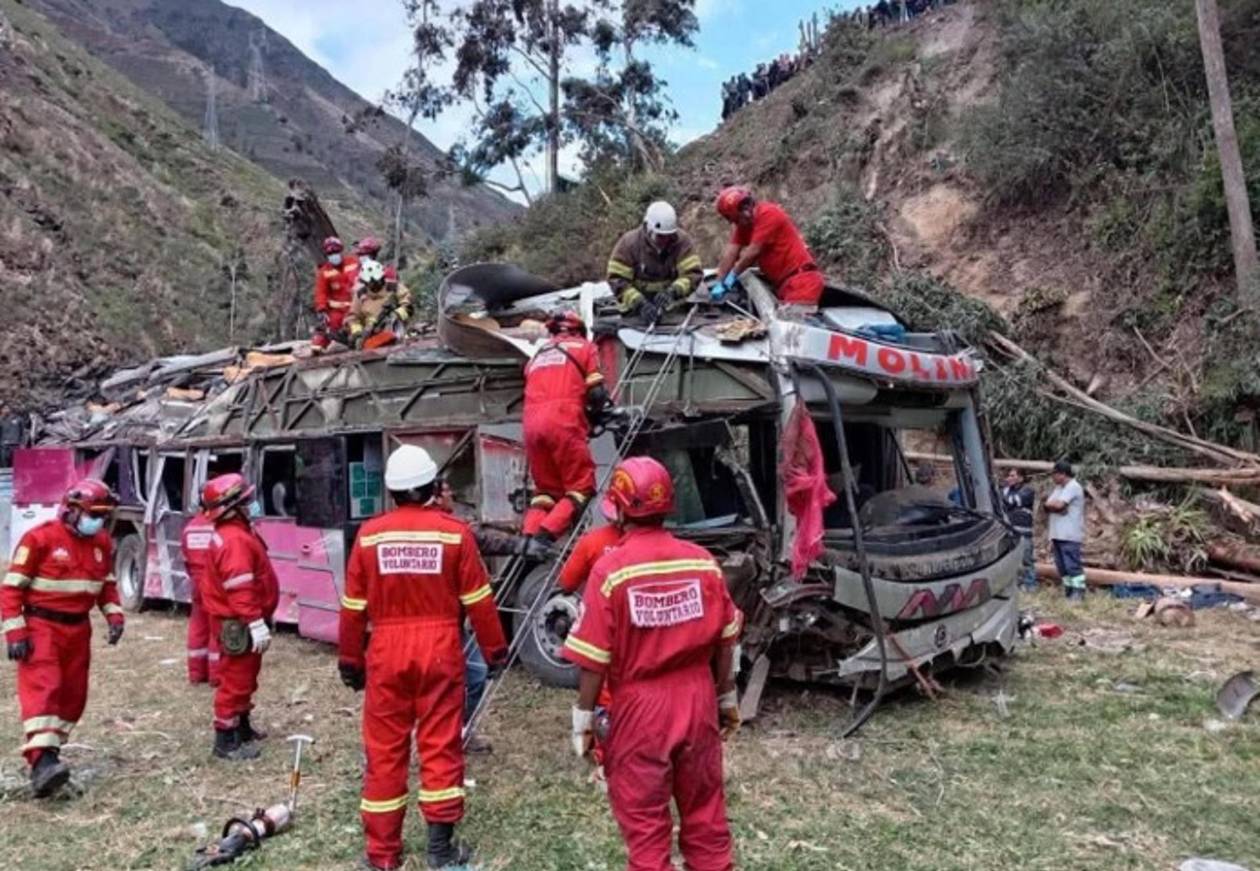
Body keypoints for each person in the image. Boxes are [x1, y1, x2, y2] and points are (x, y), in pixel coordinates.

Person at [564, 457, 743, 871]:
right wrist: (725, 695)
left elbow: (593, 659)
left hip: (640, 710)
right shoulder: (701, 562)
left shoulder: (610, 571)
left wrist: (584, 720)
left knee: (645, 823)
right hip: (697, 701)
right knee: (706, 814)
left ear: (621, 507)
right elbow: (726, 639)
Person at [338, 445, 509, 871]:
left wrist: (350, 661)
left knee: (384, 753)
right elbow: (480, 601)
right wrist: (495, 652)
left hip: (386, 653)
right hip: (439, 651)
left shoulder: (370, 535)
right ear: (433, 486)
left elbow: (353, 607)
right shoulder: (454, 533)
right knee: (440, 747)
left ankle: (381, 857)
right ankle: (440, 851)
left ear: (393, 491)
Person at [2, 479, 125, 798]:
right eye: (94, 513)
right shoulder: (40, 538)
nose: (98, 520)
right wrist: (15, 630)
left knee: (73, 695)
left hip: (78, 630)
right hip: (43, 628)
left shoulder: (101, 542)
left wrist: (114, 615)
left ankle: (50, 755)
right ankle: (42, 762)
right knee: (45, 688)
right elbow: (12, 587)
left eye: (103, 514)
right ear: (72, 510)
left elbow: (107, 584)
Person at [199, 473, 279, 761]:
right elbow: (240, 587)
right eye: (247, 501)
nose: (253, 504)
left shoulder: (238, 533)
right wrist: (255, 622)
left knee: (245, 676)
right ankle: (226, 741)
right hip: (238, 622)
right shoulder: (234, 540)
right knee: (235, 679)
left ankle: (242, 728)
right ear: (231, 507)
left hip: (240, 620)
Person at [521, 311, 608, 548]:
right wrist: (596, 416)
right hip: (563, 421)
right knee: (581, 487)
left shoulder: (536, 355)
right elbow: (596, 393)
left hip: (531, 425)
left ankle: (527, 539)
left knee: (546, 492)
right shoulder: (585, 347)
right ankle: (545, 538)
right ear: (579, 330)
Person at [714, 185, 825, 306]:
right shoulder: (744, 226)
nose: (745, 215)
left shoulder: (768, 214)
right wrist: (719, 282)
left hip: (801, 280)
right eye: (736, 219)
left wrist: (733, 275)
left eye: (735, 219)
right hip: (785, 284)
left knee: (793, 322)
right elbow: (731, 253)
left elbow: (752, 252)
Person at [606, 201, 704, 325]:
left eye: (669, 236)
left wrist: (673, 291)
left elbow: (693, 274)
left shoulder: (682, 242)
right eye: (660, 236)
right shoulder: (628, 244)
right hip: (636, 311)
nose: (665, 241)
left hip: (672, 309)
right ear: (648, 227)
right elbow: (617, 280)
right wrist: (640, 303)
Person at [181, 508, 220, 686]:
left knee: (197, 625)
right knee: (217, 626)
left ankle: (196, 673)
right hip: (215, 583)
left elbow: (186, 560)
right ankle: (216, 675)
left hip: (197, 582)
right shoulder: (218, 528)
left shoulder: (189, 528)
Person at [1044, 460, 1086, 600]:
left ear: (1062, 474)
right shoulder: (1059, 488)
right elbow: (1048, 505)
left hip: (1069, 534)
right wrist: (1054, 506)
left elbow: (1059, 505)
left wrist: (1055, 506)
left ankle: (1078, 591)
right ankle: (1068, 590)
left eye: (1055, 474)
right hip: (1057, 533)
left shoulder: (1073, 487)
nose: (1053, 477)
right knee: (1061, 566)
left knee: (1072, 564)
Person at [347, 261, 413, 349]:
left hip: (397, 330)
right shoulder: (360, 294)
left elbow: (409, 307)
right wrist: (358, 333)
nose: (374, 285)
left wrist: (396, 315)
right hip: (372, 334)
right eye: (370, 283)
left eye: (376, 281)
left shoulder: (394, 287)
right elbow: (353, 318)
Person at [313, 236, 361, 350]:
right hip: (336, 310)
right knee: (331, 327)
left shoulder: (353, 262)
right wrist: (321, 308)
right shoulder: (324, 272)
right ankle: (319, 348)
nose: (333, 255)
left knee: (358, 326)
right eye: (330, 254)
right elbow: (321, 292)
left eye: (335, 252)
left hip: (356, 305)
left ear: (340, 251)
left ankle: (359, 343)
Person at [1001, 468, 1037, 591]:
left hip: (1024, 532)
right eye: (1008, 476)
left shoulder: (1028, 491)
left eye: (1012, 476)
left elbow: (1011, 502)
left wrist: (998, 495)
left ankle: (1030, 584)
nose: (1009, 478)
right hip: (1009, 531)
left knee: (1027, 559)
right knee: (1011, 560)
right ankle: (1017, 583)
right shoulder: (1006, 490)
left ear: (1021, 478)